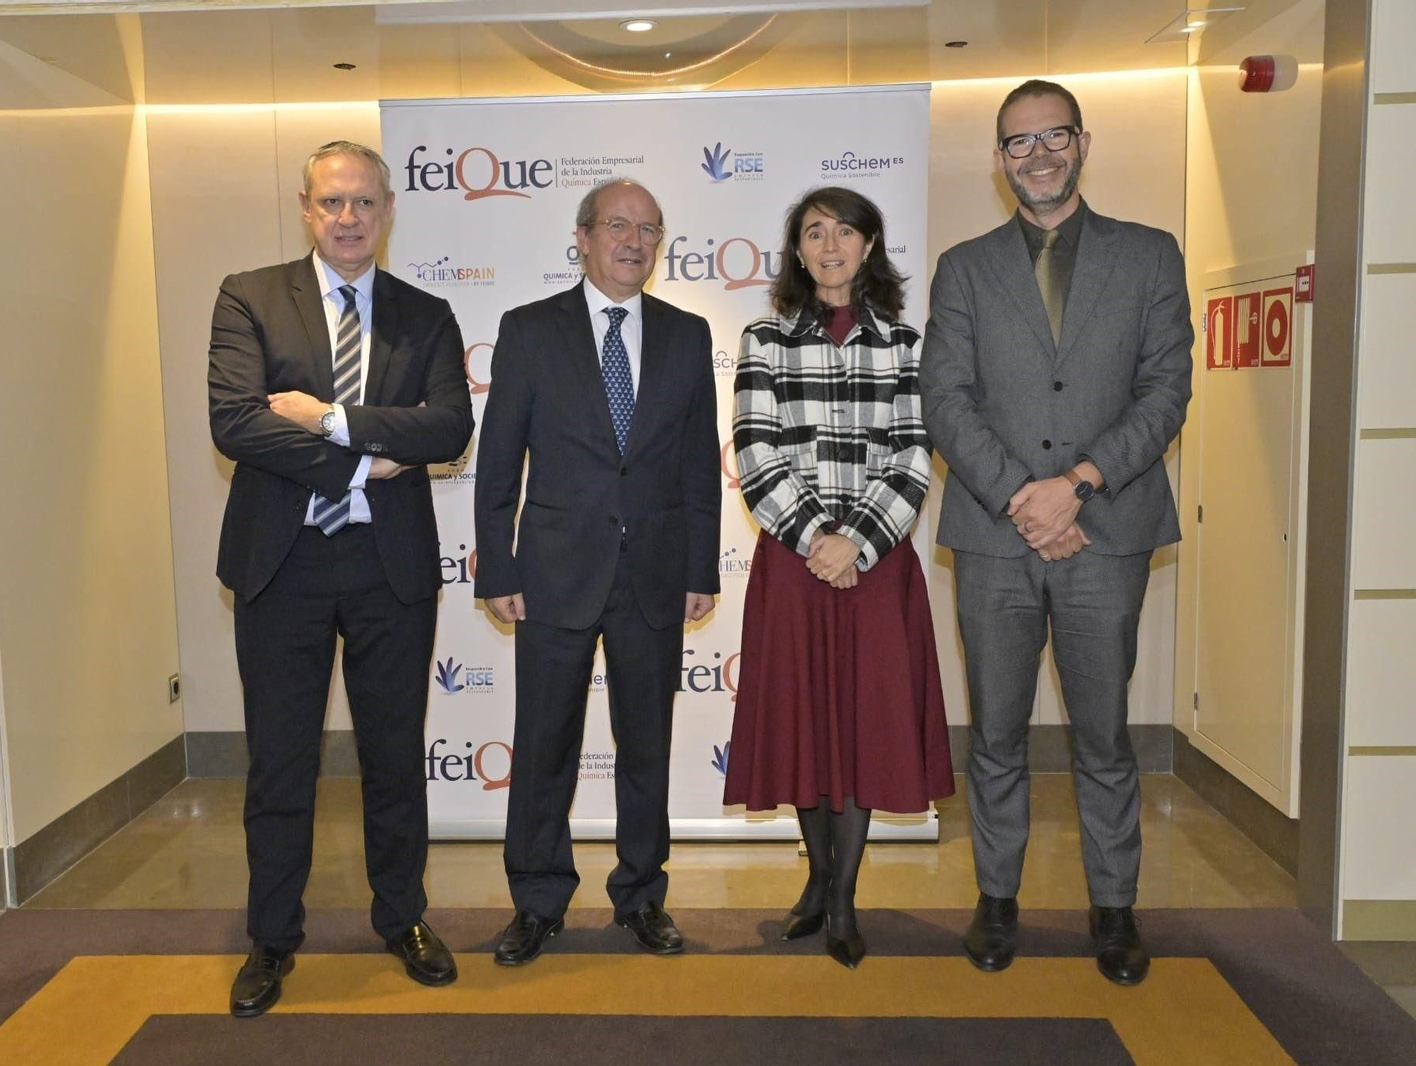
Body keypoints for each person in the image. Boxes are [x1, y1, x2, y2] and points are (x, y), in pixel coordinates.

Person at [920, 80, 1193, 986]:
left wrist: (1075, 486)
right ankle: (997, 900)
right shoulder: (963, 267)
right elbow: (946, 401)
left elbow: (1166, 391)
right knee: (996, 734)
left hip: (1105, 533)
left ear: (1083, 142)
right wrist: (1022, 500)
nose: (1036, 155)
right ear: (998, 159)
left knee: (1104, 736)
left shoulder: (1150, 256)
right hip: (999, 539)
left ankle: (1113, 910)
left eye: (1052, 137)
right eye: (1017, 142)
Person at [208, 141, 474, 1016]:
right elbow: (238, 424)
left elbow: (444, 430)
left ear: (389, 208)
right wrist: (363, 464)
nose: (349, 218)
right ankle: (271, 939)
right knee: (280, 765)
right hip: (280, 563)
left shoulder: (425, 313)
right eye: (332, 203)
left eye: (364, 203)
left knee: (395, 760)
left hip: (387, 568)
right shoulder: (248, 296)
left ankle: (404, 920)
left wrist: (327, 419)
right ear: (304, 207)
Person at [473, 178, 721, 966]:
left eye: (649, 228)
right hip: (552, 573)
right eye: (618, 225)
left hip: (652, 572)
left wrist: (700, 568)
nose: (634, 241)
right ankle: (538, 900)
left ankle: (642, 897)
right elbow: (499, 461)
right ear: (581, 236)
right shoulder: (528, 329)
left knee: (646, 745)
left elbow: (697, 468)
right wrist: (497, 564)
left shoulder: (686, 335)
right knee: (544, 743)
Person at [722, 186, 954, 969]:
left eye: (844, 232)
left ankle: (845, 897)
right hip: (793, 563)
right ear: (797, 248)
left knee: (860, 727)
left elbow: (914, 455)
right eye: (814, 233)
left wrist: (855, 541)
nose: (830, 246)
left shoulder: (905, 342)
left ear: (869, 245)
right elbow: (756, 452)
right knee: (803, 725)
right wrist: (816, 538)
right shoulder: (763, 339)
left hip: (877, 567)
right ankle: (817, 883)